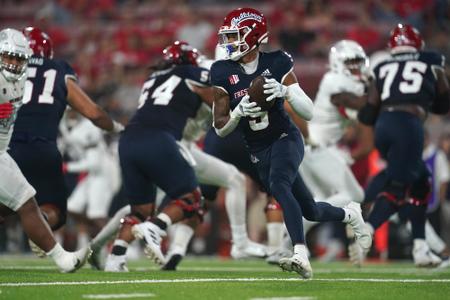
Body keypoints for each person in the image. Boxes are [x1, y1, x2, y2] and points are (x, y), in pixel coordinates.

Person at [211, 7, 371, 279]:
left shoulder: (277, 61)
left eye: (235, 36)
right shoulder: (221, 71)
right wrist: (238, 113)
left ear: (254, 36)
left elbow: (307, 111)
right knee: (310, 209)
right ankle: (350, 214)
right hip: (258, 149)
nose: (229, 43)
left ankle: (299, 253)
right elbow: (220, 129)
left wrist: (286, 92)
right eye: (227, 37)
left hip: (286, 137)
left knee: (279, 185)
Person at [7, 27, 123, 257]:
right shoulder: (57, 69)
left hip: (7, 150)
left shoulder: (7, 70)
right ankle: (44, 224)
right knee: (55, 210)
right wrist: (116, 127)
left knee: (6, 205)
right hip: (43, 149)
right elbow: (94, 113)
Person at [104, 41, 211, 271]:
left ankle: (115, 257)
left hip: (128, 139)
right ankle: (157, 226)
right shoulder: (193, 72)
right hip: (158, 139)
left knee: (140, 210)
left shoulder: (152, 79)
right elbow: (216, 97)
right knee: (191, 197)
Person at [267, 40, 374, 264]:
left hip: (317, 147)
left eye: (358, 63)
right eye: (350, 63)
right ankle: (287, 244)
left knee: (329, 200)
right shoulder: (335, 80)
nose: (355, 68)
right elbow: (361, 104)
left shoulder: (348, 81)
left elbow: (359, 117)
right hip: (315, 146)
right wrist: (379, 89)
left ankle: (285, 246)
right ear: (338, 63)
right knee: (349, 197)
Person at [355, 24, 450, 267]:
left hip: (384, 126)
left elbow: (368, 112)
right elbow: (444, 102)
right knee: (398, 189)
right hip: (408, 125)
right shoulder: (431, 59)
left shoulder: (382, 66)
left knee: (420, 182)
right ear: (418, 45)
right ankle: (367, 229)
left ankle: (420, 248)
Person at [0, 27, 89, 272]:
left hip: (4, 152)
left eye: (18, 58)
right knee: (26, 203)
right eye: (8, 56)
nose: (13, 63)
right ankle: (63, 259)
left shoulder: (18, 82)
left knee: (25, 203)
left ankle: (63, 259)